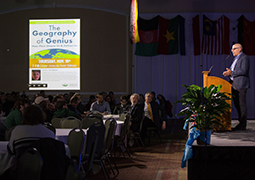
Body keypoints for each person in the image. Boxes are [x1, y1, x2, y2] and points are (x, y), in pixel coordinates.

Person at [223, 43, 250, 130]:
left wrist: (231, 73)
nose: (232, 50)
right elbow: (235, 70)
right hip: (233, 84)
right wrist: (229, 72)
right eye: (232, 49)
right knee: (236, 103)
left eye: (234, 49)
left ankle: (243, 124)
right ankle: (240, 122)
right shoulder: (236, 58)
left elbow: (243, 71)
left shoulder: (244, 58)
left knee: (241, 104)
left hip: (241, 84)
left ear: (240, 49)